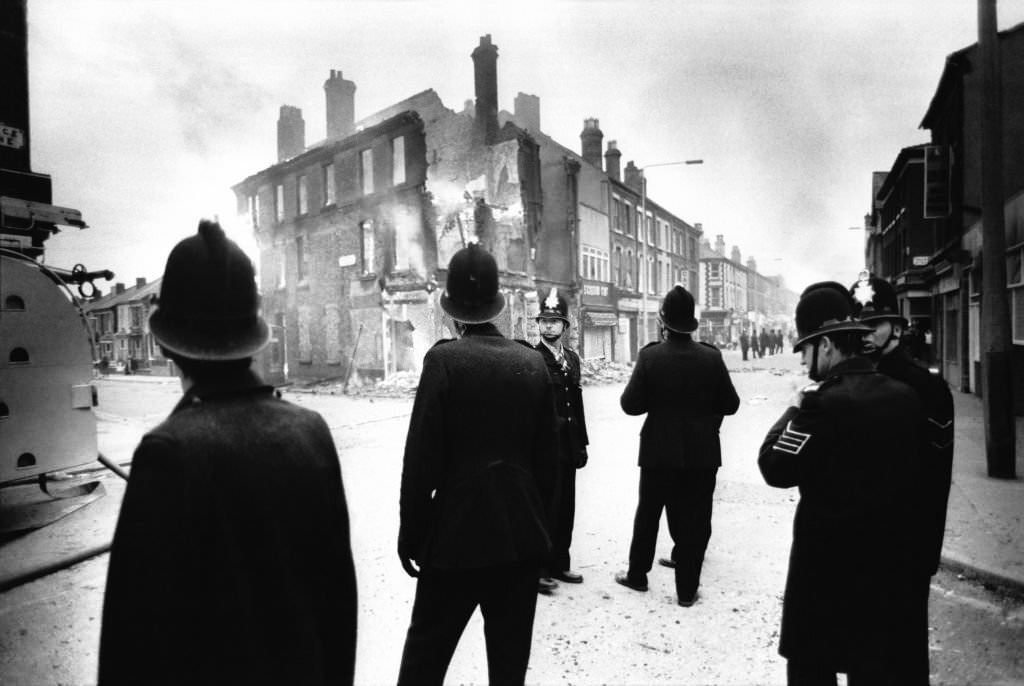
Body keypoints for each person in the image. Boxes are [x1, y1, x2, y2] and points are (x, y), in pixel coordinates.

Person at [99, 220, 357, 686]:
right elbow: (338, 603)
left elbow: (132, 640)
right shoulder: (311, 431)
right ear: (254, 335)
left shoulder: (168, 454)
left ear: (166, 343)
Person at [397, 243, 559, 685]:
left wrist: (411, 534)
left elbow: (420, 463)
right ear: (499, 305)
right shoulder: (532, 362)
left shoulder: (443, 360)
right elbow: (550, 465)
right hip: (521, 540)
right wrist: (540, 531)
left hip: (454, 539)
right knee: (508, 668)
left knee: (424, 662)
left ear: (449, 311)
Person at [758, 281, 921, 684]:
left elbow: (774, 467)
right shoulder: (905, 397)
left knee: (813, 669)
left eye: (807, 349)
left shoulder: (821, 405)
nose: (804, 362)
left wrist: (793, 407)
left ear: (827, 345)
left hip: (824, 577)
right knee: (873, 669)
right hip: (884, 575)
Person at [850, 272, 954, 685]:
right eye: (859, 325)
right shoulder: (849, 383)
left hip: (903, 546)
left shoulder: (925, 388)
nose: (866, 335)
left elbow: (936, 479)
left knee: (904, 658)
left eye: (875, 324)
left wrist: (926, 553)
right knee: (860, 659)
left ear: (897, 326)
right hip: (857, 543)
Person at [615, 285, 739, 606]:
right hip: (702, 455)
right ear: (692, 321)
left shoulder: (650, 355)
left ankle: (637, 576)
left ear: (663, 321)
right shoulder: (711, 357)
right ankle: (686, 591)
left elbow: (631, 405)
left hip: (657, 453)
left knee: (648, 515)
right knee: (695, 520)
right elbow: (731, 403)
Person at [533, 287, 590, 590]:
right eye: (544, 321)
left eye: (555, 322)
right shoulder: (532, 359)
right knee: (545, 508)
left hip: (568, 447)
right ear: (538, 324)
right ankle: (540, 569)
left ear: (565, 327)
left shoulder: (571, 358)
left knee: (566, 507)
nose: (549, 326)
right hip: (545, 449)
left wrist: (581, 443)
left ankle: (560, 564)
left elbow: (576, 403)